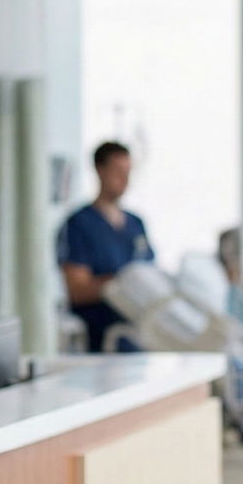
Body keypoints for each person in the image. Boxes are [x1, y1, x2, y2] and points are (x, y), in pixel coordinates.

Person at [57, 141, 155, 352]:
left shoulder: (135, 224)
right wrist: (124, 281)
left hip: (143, 329)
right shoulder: (79, 225)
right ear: (100, 171)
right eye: (118, 171)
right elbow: (77, 291)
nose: (125, 180)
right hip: (101, 334)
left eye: (128, 172)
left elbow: (151, 273)